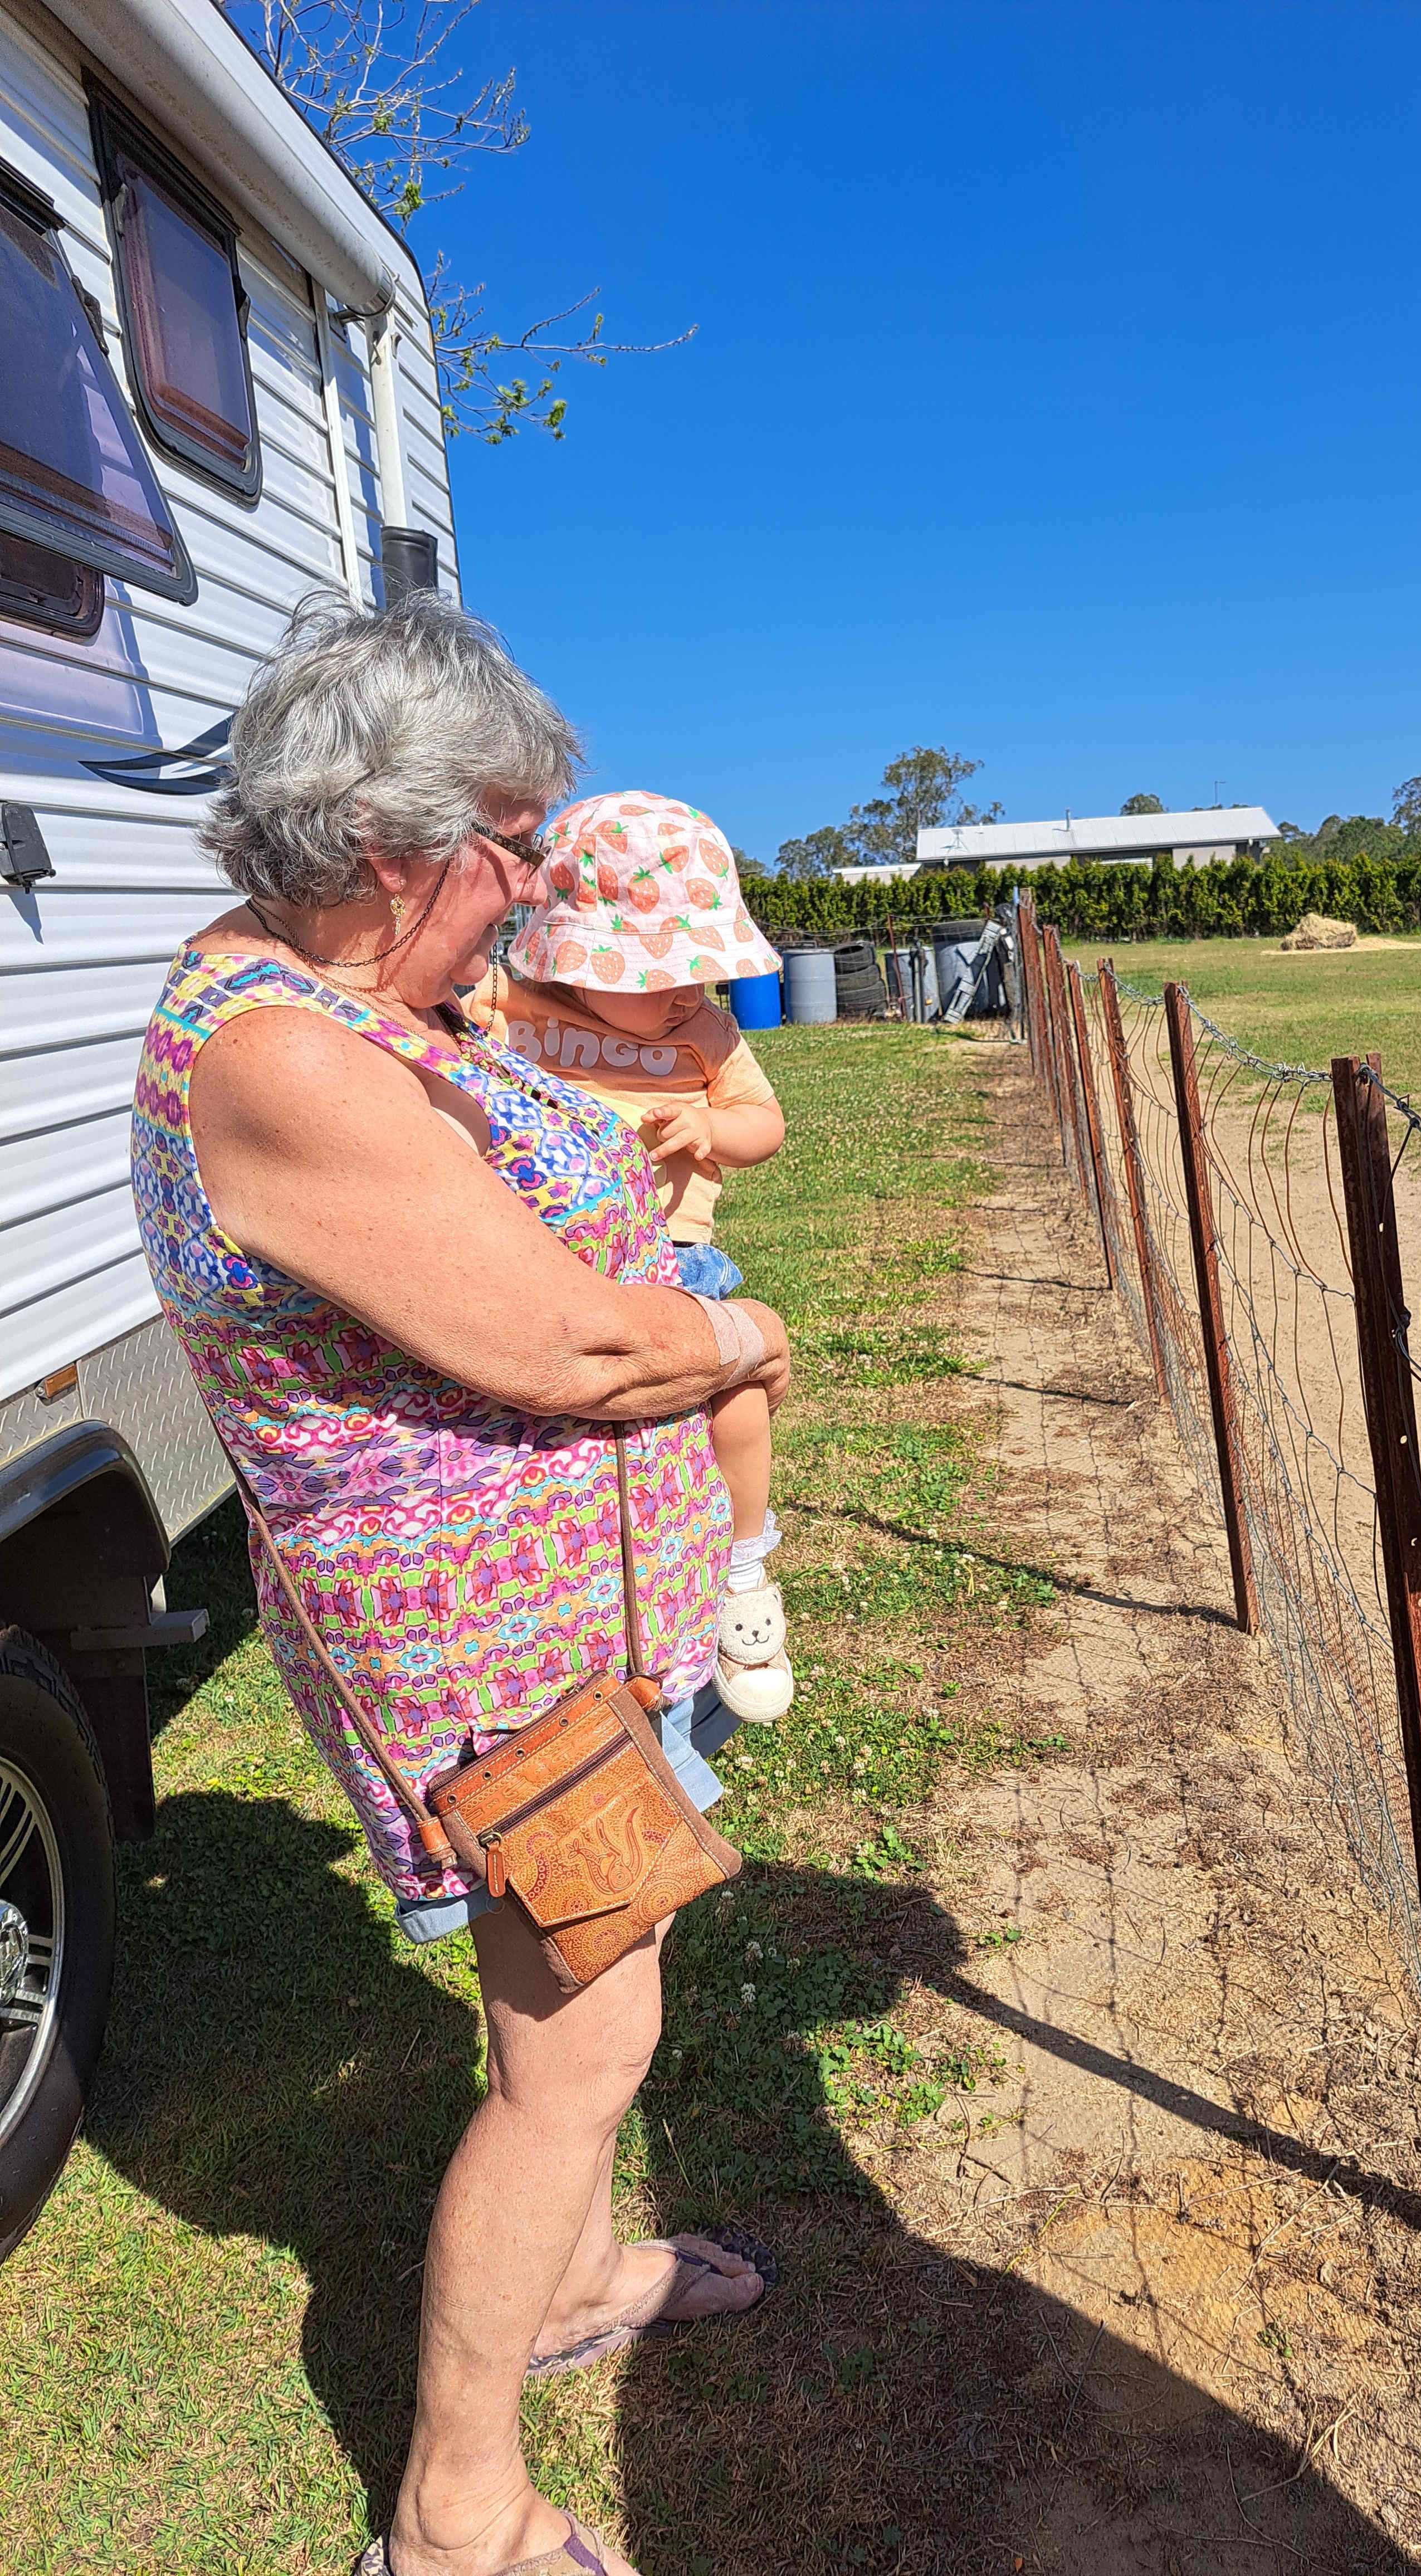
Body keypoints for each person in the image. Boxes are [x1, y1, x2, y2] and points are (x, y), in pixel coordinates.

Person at [130, 588, 789, 2576]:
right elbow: (568, 1348)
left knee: (587, 2014)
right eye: (512, 846)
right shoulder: (276, 1053)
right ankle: (454, 2513)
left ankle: (574, 2277)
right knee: (577, 2055)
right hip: (496, 1661)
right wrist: (737, 1343)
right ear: (387, 841)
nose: (533, 891)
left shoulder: (358, 1005)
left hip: (588, 1619)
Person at [470, 791, 794, 1723]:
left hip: (676, 1258)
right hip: (550, 1262)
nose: (688, 989)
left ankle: (743, 1567)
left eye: (702, 970)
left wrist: (712, 1129)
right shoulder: (506, 1008)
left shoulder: (706, 1034)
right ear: (574, 956)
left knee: (737, 1400)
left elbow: (765, 1124)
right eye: (661, 972)